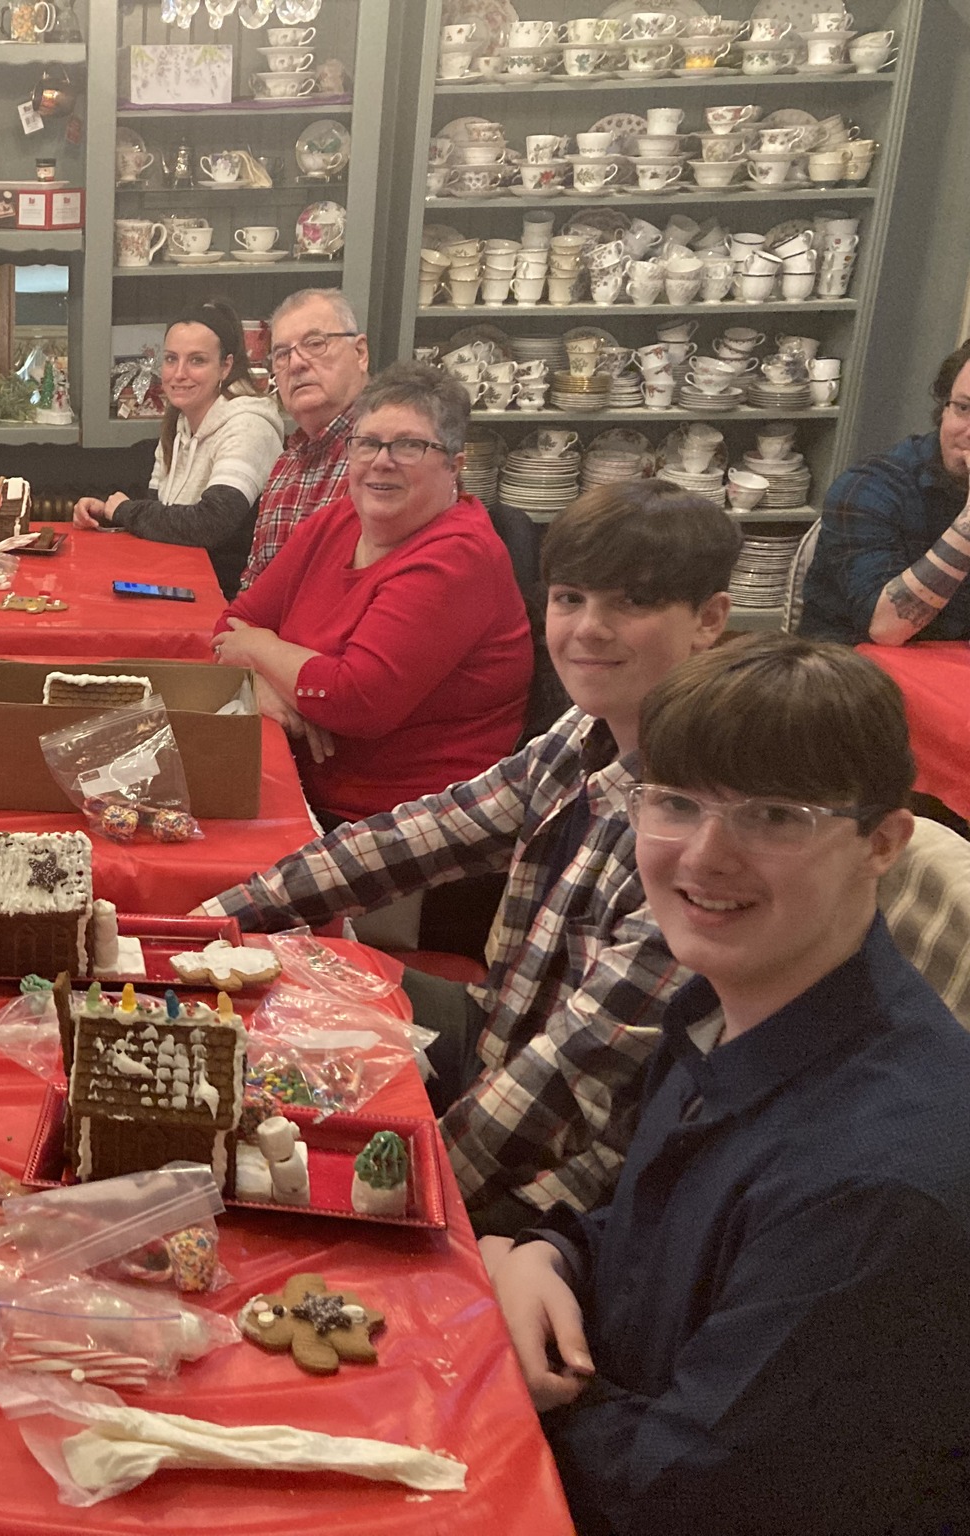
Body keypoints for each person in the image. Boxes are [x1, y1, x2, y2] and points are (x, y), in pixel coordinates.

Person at [486, 635, 970, 1536]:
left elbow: (685, 1490)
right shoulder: (729, 1006)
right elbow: (658, 1233)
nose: (704, 856)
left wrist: (515, 1381)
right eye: (675, 802)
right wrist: (548, 1256)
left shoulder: (872, 1189)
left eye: (774, 816)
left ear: (882, 843)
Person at [197, 480, 741, 1235]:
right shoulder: (581, 735)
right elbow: (413, 838)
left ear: (709, 620)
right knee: (280, 982)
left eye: (634, 603)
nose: (590, 629)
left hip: (575, 1185)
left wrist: (387, 1191)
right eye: (571, 599)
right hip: (501, 1037)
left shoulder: (704, 826)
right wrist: (204, 928)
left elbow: (569, 1078)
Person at [210, 361, 531, 823]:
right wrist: (261, 686)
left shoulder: (459, 556)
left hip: (404, 823)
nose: (382, 460)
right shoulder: (338, 520)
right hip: (302, 785)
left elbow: (356, 701)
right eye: (367, 443)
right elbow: (231, 625)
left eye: (409, 445)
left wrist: (260, 648)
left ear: (454, 467)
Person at [71, 300, 285, 598]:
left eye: (197, 360)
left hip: (225, 599)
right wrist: (107, 513)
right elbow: (160, 513)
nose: (179, 373)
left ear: (225, 366)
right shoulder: (179, 422)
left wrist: (125, 511)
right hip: (177, 584)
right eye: (171, 359)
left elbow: (212, 523)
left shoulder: (250, 425)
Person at [801, 336, 970, 645]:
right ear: (944, 409)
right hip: (855, 666)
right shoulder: (871, 486)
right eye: (964, 408)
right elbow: (886, 627)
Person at [240, 288, 369, 591]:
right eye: (282, 354)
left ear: (360, 353)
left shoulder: (386, 456)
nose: (296, 363)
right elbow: (254, 583)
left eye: (314, 343)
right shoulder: (286, 464)